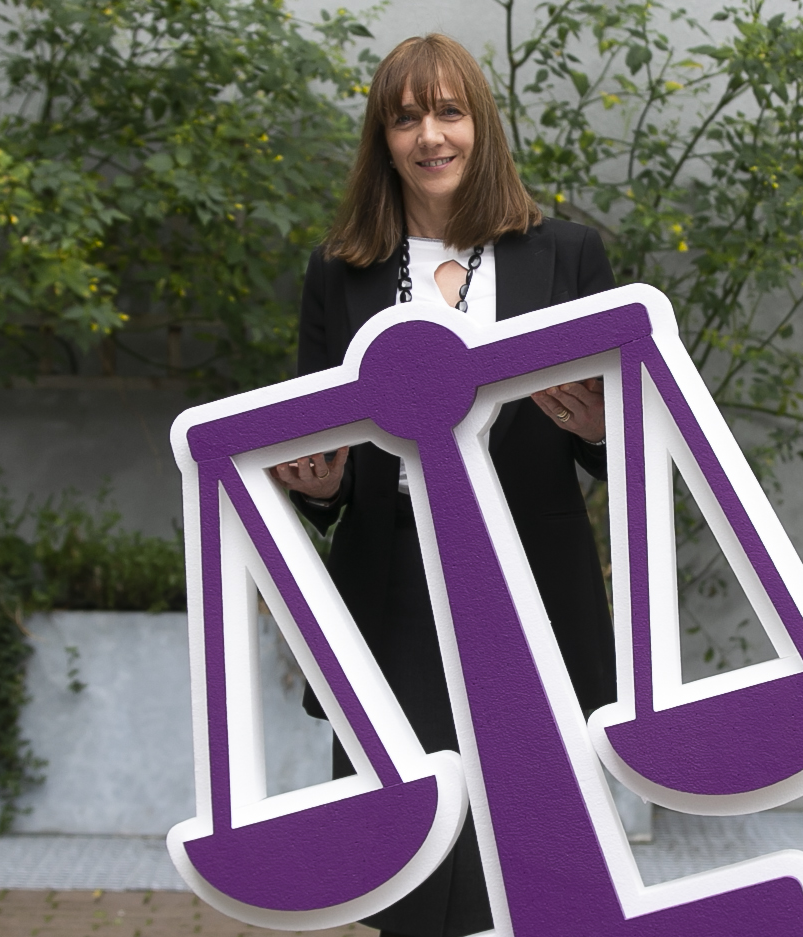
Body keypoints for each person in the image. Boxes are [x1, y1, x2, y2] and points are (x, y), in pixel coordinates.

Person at [269, 33, 616, 937]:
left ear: (481, 125)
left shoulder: (567, 255)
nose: (430, 135)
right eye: (406, 116)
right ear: (382, 139)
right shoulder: (339, 270)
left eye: (449, 111)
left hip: (530, 575)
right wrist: (317, 483)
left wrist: (598, 430)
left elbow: (618, 438)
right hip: (395, 587)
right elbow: (321, 462)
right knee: (409, 846)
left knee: (541, 839)